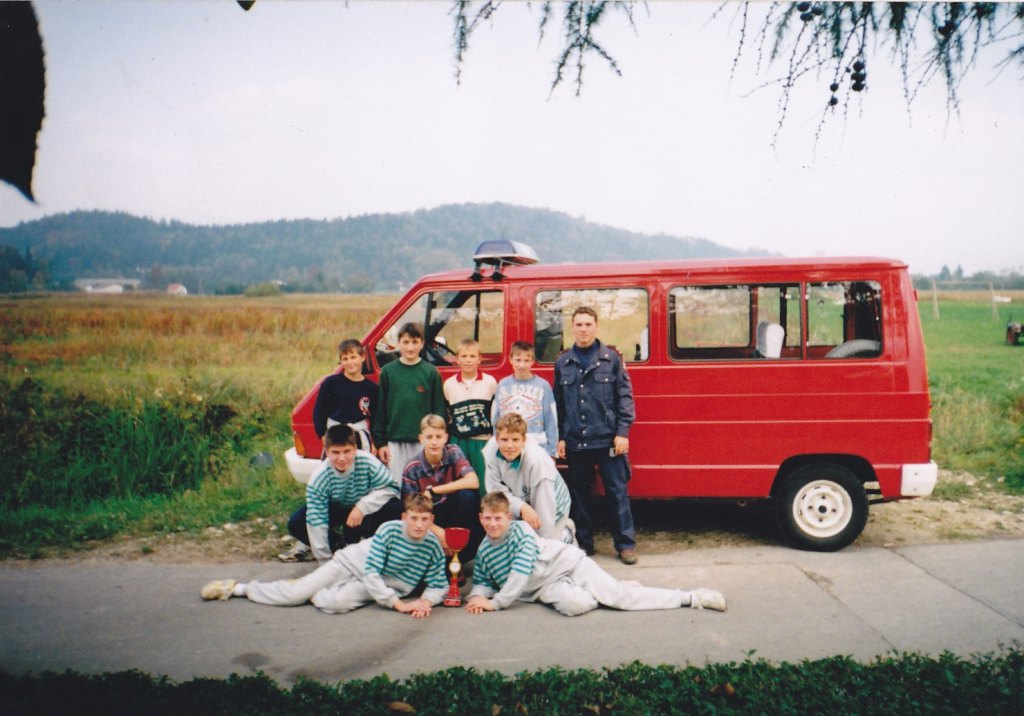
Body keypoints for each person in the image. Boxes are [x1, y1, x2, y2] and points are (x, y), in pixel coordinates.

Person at [465, 492, 725, 616]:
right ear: (480, 518)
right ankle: (610, 589)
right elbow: (483, 581)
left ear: (507, 517)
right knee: (573, 607)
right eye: (487, 518)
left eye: (498, 518)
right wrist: (477, 598)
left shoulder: (520, 531)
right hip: (544, 588)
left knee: (620, 599)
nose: (493, 524)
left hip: (567, 563)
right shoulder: (485, 550)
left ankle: (692, 597)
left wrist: (496, 603)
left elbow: (520, 573)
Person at [201, 494, 448, 617]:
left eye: (424, 519)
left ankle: (310, 589)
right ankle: (239, 588)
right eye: (413, 518)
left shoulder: (433, 547)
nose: (418, 524)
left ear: (432, 521)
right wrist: (398, 604)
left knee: (333, 604)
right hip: (351, 564)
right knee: (295, 596)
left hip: (377, 585)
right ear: (404, 517)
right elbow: (371, 569)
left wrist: (426, 601)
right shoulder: (389, 530)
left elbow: (440, 584)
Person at [554, 306, 639, 564]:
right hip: (576, 441)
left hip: (608, 441)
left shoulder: (611, 359)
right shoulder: (562, 362)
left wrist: (622, 432)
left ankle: (625, 545)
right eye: (579, 324)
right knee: (579, 494)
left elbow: (625, 397)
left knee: (617, 492)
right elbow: (559, 403)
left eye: (588, 324)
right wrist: (559, 437)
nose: (583, 329)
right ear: (572, 327)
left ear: (596, 326)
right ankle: (585, 545)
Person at [284, 423, 403, 564]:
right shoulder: (319, 478)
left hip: (365, 509)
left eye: (347, 451)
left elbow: (391, 488)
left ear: (355, 449)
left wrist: (362, 507)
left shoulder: (368, 462)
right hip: (337, 508)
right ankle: (337, 547)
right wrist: (325, 561)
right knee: (296, 523)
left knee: (397, 507)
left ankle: (380, 547)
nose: (342, 458)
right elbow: (317, 520)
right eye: (335, 452)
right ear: (327, 452)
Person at [401, 414, 484, 561]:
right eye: (429, 437)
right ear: (421, 439)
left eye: (438, 437)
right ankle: (436, 560)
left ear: (445, 438)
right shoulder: (412, 467)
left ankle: (459, 558)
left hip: (453, 513)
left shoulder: (453, 451)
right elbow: (409, 510)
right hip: (428, 519)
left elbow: (473, 481)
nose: (434, 442)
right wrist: (440, 533)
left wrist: (433, 490)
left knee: (468, 496)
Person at [482, 413, 574, 544]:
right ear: (497, 439)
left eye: (515, 440)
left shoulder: (538, 461)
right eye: (504, 440)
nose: (509, 445)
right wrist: (521, 507)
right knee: (512, 543)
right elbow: (495, 491)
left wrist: (542, 545)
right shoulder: (490, 449)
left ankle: (565, 532)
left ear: (524, 440)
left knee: (544, 550)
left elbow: (545, 510)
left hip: (553, 504)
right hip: (521, 498)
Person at [372, 322, 446, 484]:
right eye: (406, 342)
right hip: (394, 441)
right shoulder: (388, 372)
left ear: (422, 343)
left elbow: (439, 410)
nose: (410, 348)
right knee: (396, 484)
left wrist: (436, 439)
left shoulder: (430, 372)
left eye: (414, 342)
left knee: (423, 484)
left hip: (422, 441)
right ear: (398, 343)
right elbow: (380, 410)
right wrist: (381, 443)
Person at [443, 338, 497, 492]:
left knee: (484, 482)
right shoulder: (449, 384)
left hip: (482, 441)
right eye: (464, 356)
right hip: (459, 441)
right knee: (460, 482)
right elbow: (447, 414)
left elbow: (495, 412)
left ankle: (484, 514)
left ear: (480, 359)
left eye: (472, 356)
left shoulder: (490, 382)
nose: (468, 360)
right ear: (457, 359)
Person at [491, 340, 558, 457]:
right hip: (510, 447)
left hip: (537, 447)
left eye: (526, 360)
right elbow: (495, 417)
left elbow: (551, 420)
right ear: (511, 359)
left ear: (532, 361)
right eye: (518, 360)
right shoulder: (503, 385)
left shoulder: (543, 386)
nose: (521, 365)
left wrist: (552, 452)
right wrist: (498, 444)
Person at [312, 338, 378, 454]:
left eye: (353, 357)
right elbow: (319, 411)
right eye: (345, 359)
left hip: (359, 437)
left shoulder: (371, 388)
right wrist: (323, 436)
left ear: (362, 357)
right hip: (335, 435)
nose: (349, 362)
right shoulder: (331, 383)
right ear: (341, 361)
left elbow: (376, 418)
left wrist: (375, 443)